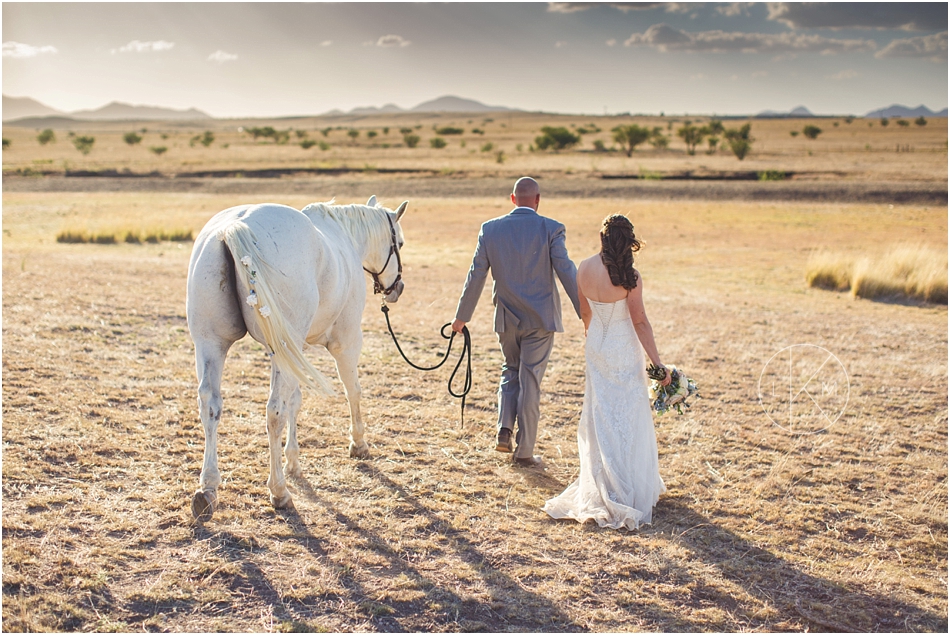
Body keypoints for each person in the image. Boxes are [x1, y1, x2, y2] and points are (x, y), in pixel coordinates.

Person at [543, 214, 670, 530]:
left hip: (597, 345)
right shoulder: (630, 276)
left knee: (602, 413)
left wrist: (594, 339)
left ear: (602, 239)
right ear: (628, 243)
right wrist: (657, 364)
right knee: (626, 414)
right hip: (623, 348)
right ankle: (625, 486)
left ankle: (604, 483)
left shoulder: (584, 268)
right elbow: (639, 321)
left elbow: (585, 313)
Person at [452, 177, 581, 467]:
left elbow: (476, 275)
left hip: (506, 319)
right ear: (537, 200)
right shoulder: (551, 228)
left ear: (512, 199)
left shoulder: (490, 229)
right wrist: (585, 313)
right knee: (530, 380)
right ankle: (524, 451)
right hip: (541, 319)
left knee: (510, 370)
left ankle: (504, 429)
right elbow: (566, 270)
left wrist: (462, 317)